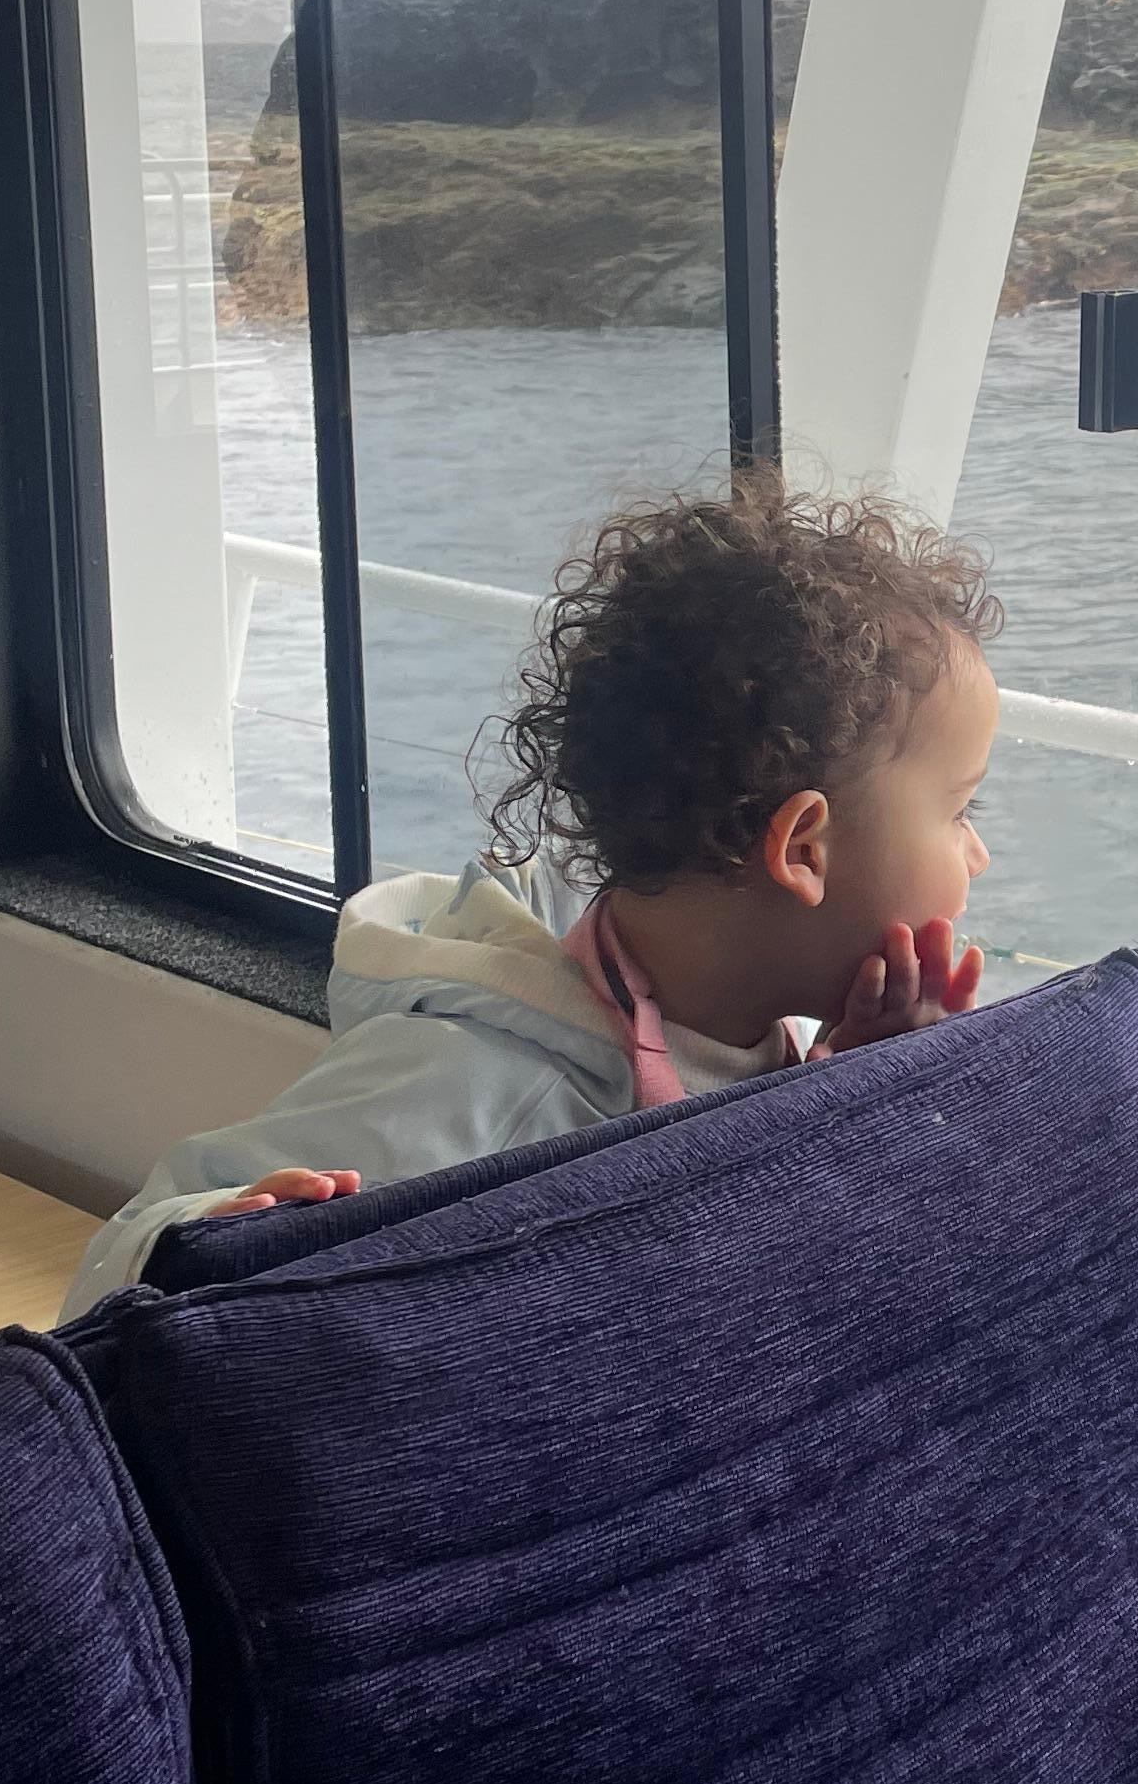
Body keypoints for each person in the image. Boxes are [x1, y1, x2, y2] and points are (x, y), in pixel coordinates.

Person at [59, 483, 999, 1319]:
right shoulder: (480, 1088)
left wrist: (852, 1088)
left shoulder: (762, 1040)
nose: (979, 855)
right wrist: (218, 1237)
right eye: (961, 811)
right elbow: (113, 1280)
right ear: (802, 850)